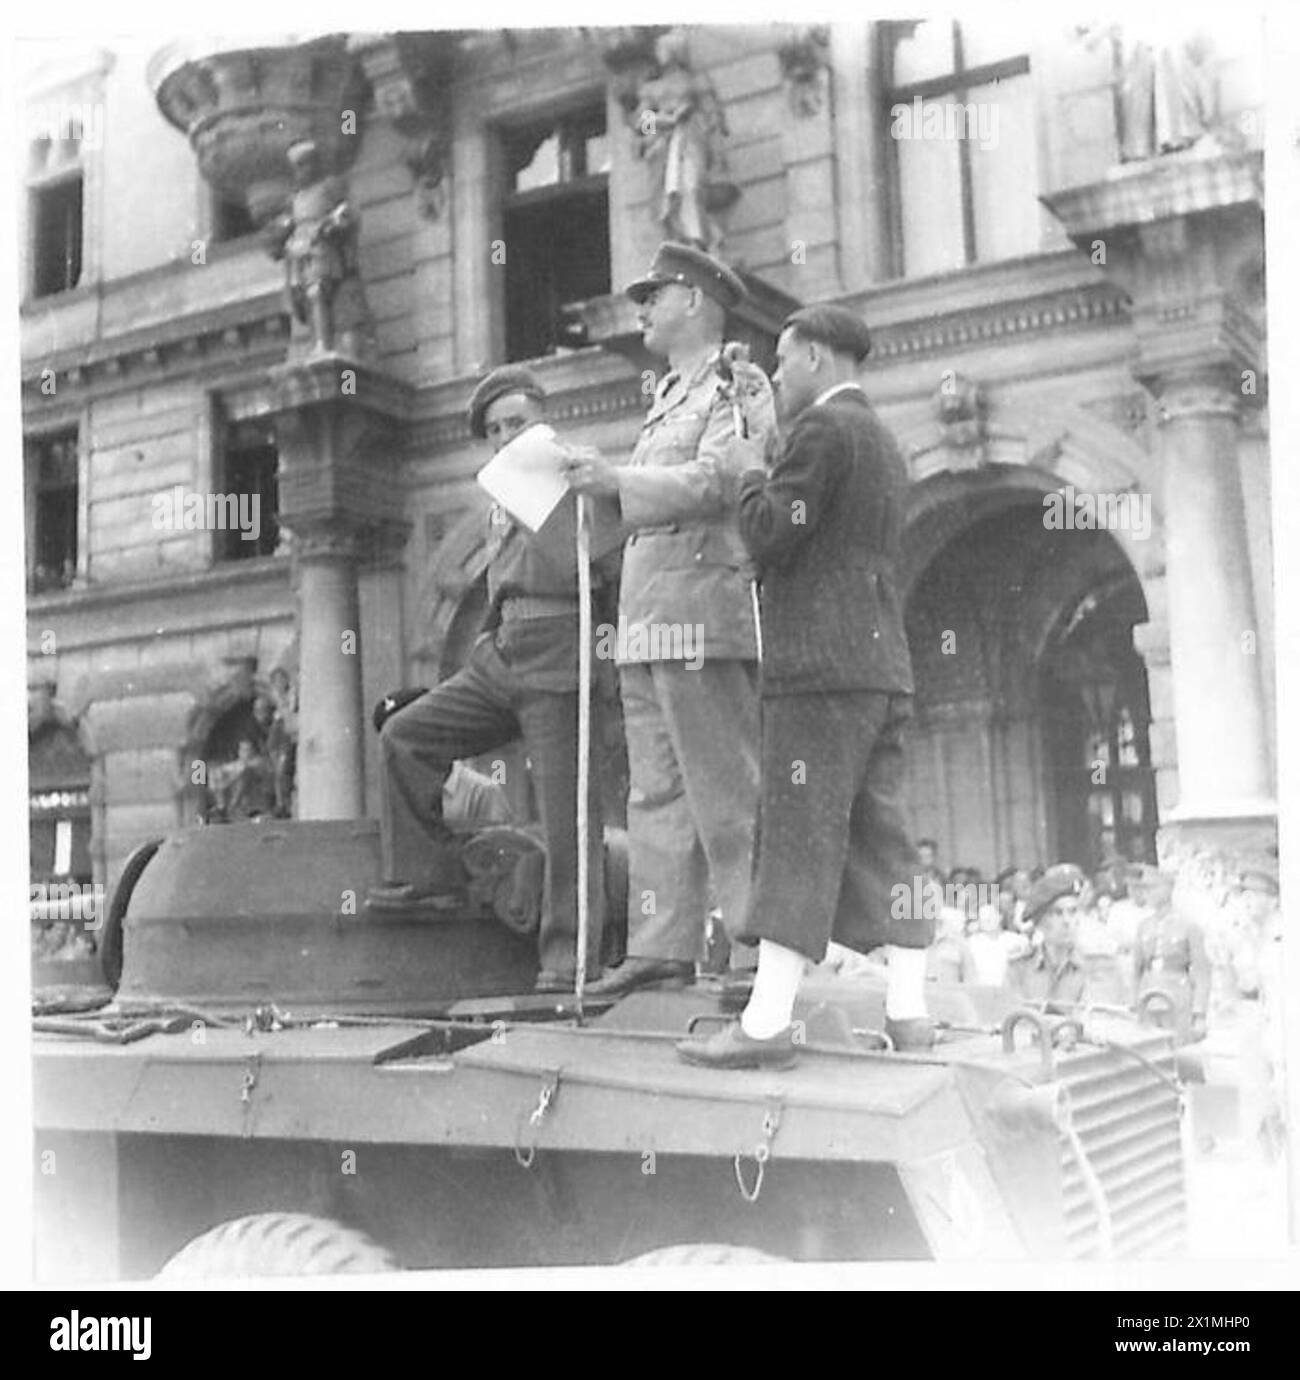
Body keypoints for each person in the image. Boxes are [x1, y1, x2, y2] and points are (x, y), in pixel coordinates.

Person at [673, 302, 932, 1069]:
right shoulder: (881, 440)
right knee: (884, 838)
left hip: (817, 673)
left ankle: (765, 1024)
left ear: (816, 357)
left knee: (795, 837)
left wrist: (751, 467)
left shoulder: (822, 433)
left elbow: (770, 532)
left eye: (783, 361)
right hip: (880, 668)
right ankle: (911, 1012)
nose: (777, 374)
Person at [567, 242, 776, 999]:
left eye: (654, 294)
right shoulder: (667, 395)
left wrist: (618, 478)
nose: (643, 308)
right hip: (649, 609)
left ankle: (756, 943)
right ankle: (663, 943)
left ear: (695, 300)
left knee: (722, 783)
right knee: (654, 789)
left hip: (699, 605)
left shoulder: (734, 383)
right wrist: (596, 491)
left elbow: (724, 478)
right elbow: (652, 499)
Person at [369, 366, 622, 993]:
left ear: (545, 422)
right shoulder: (499, 500)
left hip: (561, 657)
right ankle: (429, 880)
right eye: (495, 429)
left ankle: (568, 960)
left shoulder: (580, 479)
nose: (507, 436)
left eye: (518, 422)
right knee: (406, 735)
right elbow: (500, 587)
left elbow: (613, 569)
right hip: (502, 656)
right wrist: (485, 640)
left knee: (567, 819)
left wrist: (609, 657)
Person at [1130, 863, 1211, 1041]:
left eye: (1152, 888)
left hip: (1178, 998)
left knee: (1177, 1050)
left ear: (1168, 889)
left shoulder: (1188, 925)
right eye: (1145, 889)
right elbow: (1136, 970)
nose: (1147, 893)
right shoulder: (1144, 926)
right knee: (1147, 1048)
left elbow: (1201, 972)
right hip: (1148, 997)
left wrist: (1200, 1014)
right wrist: (1133, 1003)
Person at [1007, 864, 1090, 1008]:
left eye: (1073, 912)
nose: (1067, 921)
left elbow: (1099, 1021)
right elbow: (1012, 1018)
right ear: (1040, 923)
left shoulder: (1095, 965)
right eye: (1057, 913)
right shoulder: (1019, 968)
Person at [967, 903, 1028, 987]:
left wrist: (1019, 922)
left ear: (1000, 917)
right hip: (979, 993)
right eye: (982, 917)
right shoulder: (971, 942)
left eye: (990, 916)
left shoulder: (1014, 939)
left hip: (1008, 993)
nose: (986, 919)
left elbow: (1030, 949)